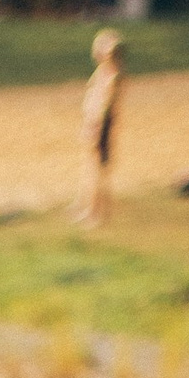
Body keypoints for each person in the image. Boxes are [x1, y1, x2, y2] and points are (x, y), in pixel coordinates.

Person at [79, 26, 125, 229]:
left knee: (99, 170)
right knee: (91, 167)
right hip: (94, 122)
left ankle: (98, 213)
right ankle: (88, 207)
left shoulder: (113, 76)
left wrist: (97, 127)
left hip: (101, 125)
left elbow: (106, 105)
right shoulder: (103, 72)